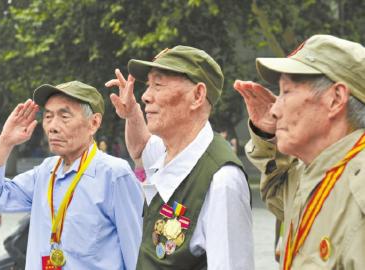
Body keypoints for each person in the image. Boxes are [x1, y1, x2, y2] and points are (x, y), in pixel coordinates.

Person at [106, 46, 254, 269]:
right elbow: (140, 149)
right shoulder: (168, 149)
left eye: (158, 84)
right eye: (148, 86)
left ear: (197, 95)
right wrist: (132, 113)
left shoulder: (222, 181)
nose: (145, 96)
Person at [0, 81, 143, 270]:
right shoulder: (45, 172)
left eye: (64, 116)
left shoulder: (114, 175)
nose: (52, 127)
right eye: (48, 116)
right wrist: (5, 142)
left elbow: (135, 252)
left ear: (94, 123)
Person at [234, 35, 365, 269]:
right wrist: (268, 136)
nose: (274, 108)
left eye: (286, 92)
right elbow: (278, 195)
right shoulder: (318, 169)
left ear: (335, 99)